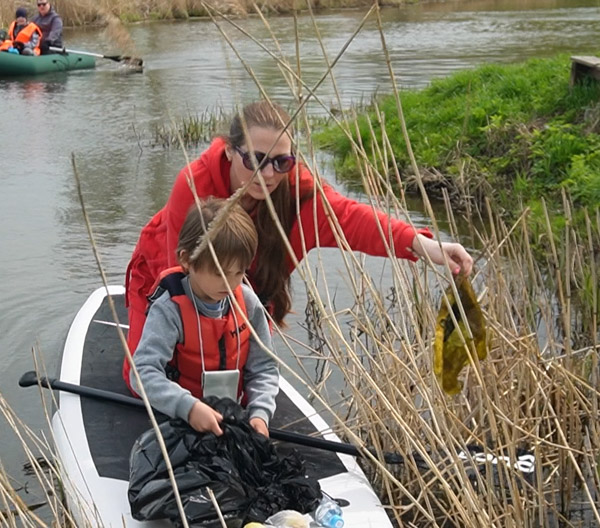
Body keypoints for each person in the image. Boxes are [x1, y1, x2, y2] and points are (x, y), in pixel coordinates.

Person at [123, 99, 474, 382]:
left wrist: (423, 244)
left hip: (243, 291)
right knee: (147, 379)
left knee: (241, 386)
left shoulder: (297, 191)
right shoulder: (193, 184)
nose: (269, 174)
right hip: (166, 279)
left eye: (281, 161)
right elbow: (177, 273)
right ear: (230, 150)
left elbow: (351, 219)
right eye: (256, 160)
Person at [130, 198, 278, 438]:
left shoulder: (248, 305)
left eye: (239, 272)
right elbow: (142, 373)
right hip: (181, 418)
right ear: (187, 260)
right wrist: (188, 408)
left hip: (232, 417)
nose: (230, 284)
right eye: (219, 273)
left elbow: (264, 368)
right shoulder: (169, 310)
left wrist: (260, 413)